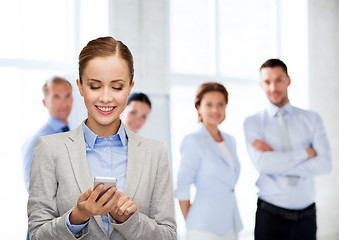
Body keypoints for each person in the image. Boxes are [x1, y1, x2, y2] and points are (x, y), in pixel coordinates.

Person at [27, 36, 176, 239]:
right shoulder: (49, 148)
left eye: (117, 87)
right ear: (80, 87)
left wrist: (130, 220)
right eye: (95, 86)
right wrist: (77, 217)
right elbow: (36, 234)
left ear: (130, 87)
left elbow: (168, 235)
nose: (106, 97)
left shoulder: (155, 153)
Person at [243, 59, 332, 240]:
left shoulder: (312, 119)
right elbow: (263, 165)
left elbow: (325, 165)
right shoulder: (253, 122)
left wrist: (277, 161)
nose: (273, 87)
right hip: (270, 215)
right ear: (261, 84)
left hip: (306, 216)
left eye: (279, 80)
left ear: (288, 80)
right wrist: (305, 154)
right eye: (267, 82)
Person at [175, 82, 243, 240]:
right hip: (204, 225)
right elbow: (183, 186)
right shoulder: (193, 140)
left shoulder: (230, 140)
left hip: (230, 222)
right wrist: (192, 221)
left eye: (220, 104)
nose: (215, 110)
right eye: (209, 104)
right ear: (199, 107)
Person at [22, 76, 73, 193]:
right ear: (45, 102)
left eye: (68, 96)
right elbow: (34, 189)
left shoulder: (75, 135)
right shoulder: (38, 140)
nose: (64, 103)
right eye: (56, 97)